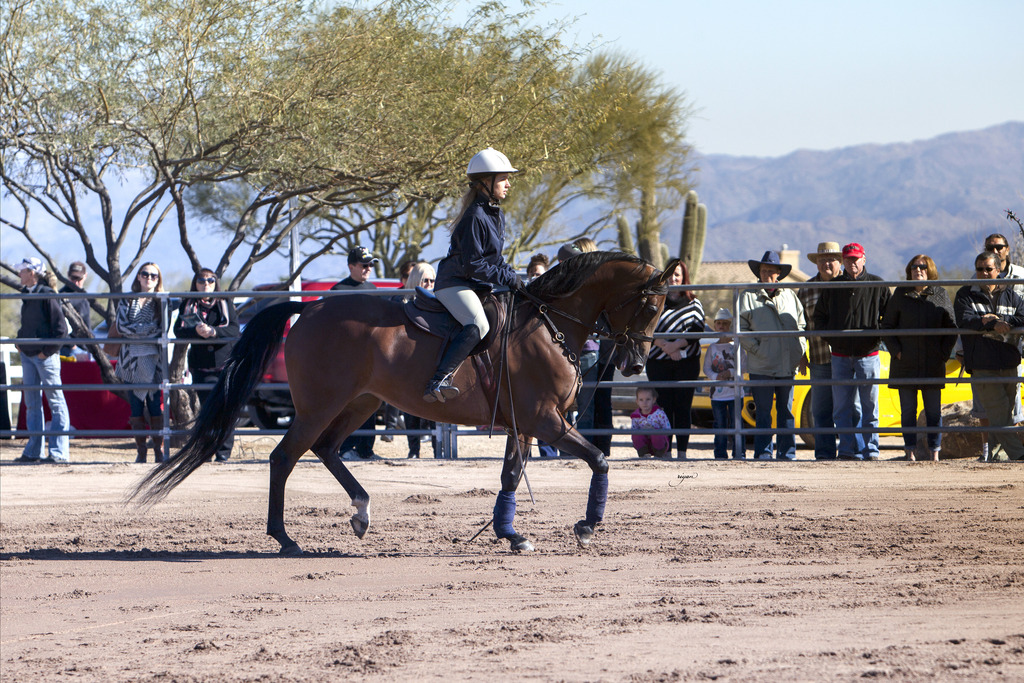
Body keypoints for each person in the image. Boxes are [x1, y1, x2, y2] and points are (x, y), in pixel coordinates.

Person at [424, 147, 523, 403]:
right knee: (479, 324)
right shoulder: (475, 216)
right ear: (485, 183)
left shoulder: (495, 214)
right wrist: (506, 278)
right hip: (454, 284)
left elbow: (495, 259)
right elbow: (474, 265)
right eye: (503, 179)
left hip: (474, 284)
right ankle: (439, 379)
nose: (508, 184)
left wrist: (513, 277)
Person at [813, 242, 891, 461]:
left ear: (864, 259)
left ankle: (871, 449)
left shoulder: (877, 285)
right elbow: (819, 317)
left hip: (869, 354)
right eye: (848, 259)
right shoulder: (833, 287)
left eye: (855, 259)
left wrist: (877, 337)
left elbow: (891, 316)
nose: (852, 263)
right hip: (839, 355)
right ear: (843, 261)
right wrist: (832, 338)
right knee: (842, 406)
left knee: (870, 406)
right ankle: (847, 449)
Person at [881, 255, 957, 461]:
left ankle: (934, 452)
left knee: (933, 412)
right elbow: (887, 326)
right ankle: (910, 451)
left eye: (923, 267)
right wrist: (896, 351)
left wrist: (943, 353)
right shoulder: (900, 294)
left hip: (933, 364)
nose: (918, 270)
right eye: (914, 267)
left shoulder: (939, 294)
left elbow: (952, 327)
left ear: (930, 270)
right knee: (908, 412)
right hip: (904, 364)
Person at [954, 251, 1024, 462]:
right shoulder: (965, 294)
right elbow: (965, 319)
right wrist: (993, 323)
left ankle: (995, 455)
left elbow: (1022, 315)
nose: (983, 273)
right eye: (979, 269)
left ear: (998, 270)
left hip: (1009, 361)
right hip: (982, 363)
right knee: (999, 410)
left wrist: (1004, 322)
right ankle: (1019, 454)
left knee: (1006, 412)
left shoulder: (1011, 294)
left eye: (988, 269)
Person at [738, 250, 807, 460]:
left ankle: (787, 453)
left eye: (771, 270)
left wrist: (800, 348)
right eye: (763, 270)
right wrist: (758, 349)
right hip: (762, 365)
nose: (767, 273)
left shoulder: (790, 296)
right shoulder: (747, 296)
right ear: (759, 272)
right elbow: (741, 329)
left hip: (787, 364)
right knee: (764, 412)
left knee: (786, 412)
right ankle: (763, 452)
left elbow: (802, 325)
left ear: (779, 273)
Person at [173, 268, 240, 462]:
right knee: (208, 410)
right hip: (201, 366)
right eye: (201, 280)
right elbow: (179, 331)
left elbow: (234, 330)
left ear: (215, 283)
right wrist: (197, 332)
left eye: (210, 280)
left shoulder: (224, 302)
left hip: (225, 364)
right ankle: (208, 451)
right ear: (195, 283)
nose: (206, 284)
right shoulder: (188, 303)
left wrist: (213, 332)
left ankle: (224, 454)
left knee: (226, 409)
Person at [645, 261, 704, 460]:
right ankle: (666, 451)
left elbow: (697, 330)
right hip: (658, 363)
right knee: (664, 407)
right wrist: (665, 346)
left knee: (683, 407)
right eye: (670, 275)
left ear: (684, 276)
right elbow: (647, 326)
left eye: (677, 275)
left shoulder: (695, 303)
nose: (674, 278)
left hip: (686, 363)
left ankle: (682, 452)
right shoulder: (655, 300)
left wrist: (677, 345)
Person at [14, 257, 71, 464]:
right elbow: (29, 323)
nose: (19, 274)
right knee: (32, 403)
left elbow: (60, 330)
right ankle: (33, 450)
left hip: (42, 356)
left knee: (55, 401)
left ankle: (58, 452)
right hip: (30, 354)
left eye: (23, 271)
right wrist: (20, 341)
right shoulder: (28, 294)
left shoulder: (47, 295)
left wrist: (46, 352)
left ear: (32, 273)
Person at [113, 262, 167, 463]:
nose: (149, 278)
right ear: (138, 277)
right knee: (135, 407)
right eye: (145, 274)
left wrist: (137, 330)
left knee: (154, 406)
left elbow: (161, 328)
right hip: (129, 360)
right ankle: (141, 451)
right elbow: (121, 326)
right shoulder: (127, 299)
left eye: (154, 275)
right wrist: (145, 330)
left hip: (153, 360)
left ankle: (158, 451)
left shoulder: (161, 300)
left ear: (158, 279)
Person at [332, 246, 380, 459]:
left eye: (371, 265)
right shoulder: (338, 291)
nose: (368, 269)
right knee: (347, 404)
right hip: (346, 358)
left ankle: (366, 449)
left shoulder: (373, 289)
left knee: (370, 401)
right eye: (364, 265)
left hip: (369, 358)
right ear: (351, 266)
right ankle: (346, 448)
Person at [797, 241, 843, 460]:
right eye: (822, 259)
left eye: (831, 259)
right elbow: (799, 324)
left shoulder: (849, 285)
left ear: (840, 262)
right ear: (816, 263)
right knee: (821, 410)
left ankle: (849, 451)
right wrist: (801, 354)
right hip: (818, 357)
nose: (826, 263)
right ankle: (825, 453)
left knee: (849, 408)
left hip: (847, 357)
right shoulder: (806, 289)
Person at [401, 262, 438, 458]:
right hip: (410, 362)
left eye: (432, 281)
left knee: (435, 407)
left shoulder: (440, 303)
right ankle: (413, 450)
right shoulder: (403, 302)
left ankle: (436, 449)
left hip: (432, 361)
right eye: (425, 280)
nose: (430, 284)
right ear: (416, 281)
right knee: (410, 410)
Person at [704, 308, 746, 460]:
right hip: (717, 395)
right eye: (719, 323)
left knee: (737, 424)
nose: (722, 326)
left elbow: (743, 366)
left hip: (735, 393)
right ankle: (720, 454)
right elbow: (707, 368)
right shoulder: (712, 348)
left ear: (731, 326)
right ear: (715, 326)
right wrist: (716, 376)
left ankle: (739, 452)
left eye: (725, 323)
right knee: (720, 425)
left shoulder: (737, 347)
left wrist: (731, 373)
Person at [59, 261, 93, 356]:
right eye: (73, 278)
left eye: (79, 278)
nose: (76, 282)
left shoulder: (84, 296)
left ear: (85, 276)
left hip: (86, 348)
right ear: (68, 275)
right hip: (68, 350)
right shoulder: (61, 297)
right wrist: (72, 346)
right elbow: (58, 325)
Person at [630, 387, 671, 459]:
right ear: (637, 401)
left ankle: (659, 454)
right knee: (636, 435)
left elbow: (668, 429)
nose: (644, 403)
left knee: (656, 434)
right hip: (645, 443)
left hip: (659, 444)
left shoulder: (659, 414)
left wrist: (654, 430)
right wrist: (641, 431)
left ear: (653, 400)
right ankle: (643, 454)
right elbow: (633, 431)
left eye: (648, 399)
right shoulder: (635, 416)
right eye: (641, 400)